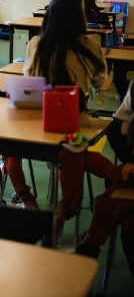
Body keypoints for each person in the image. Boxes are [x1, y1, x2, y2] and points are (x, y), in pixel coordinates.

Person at [14, 0, 127, 225]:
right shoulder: (91, 44)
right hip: (74, 123)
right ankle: (68, 203)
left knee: (10, 151)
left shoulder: (37, 43)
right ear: (80, 16)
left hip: (37, 121)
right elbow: (101, 83)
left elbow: (28, 81)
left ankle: (26, 197)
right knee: (76, 150)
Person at [75, 81, 134, 269]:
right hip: (124, 139)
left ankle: (91, 242)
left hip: (116, 133)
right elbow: (102, 81)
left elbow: (126, 130)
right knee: (119, 189)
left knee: (114, 197)